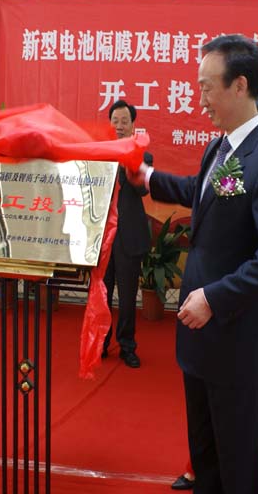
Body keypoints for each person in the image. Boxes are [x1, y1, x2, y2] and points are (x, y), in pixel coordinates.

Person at [132, 35, 258, 493]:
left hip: (235, 339)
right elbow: (199, 193)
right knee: (206, 458)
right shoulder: (221, 148)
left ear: (239, 85)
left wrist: (214, 298)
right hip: (200, 338)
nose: (200, 99)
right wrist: (147, 177)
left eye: (207, 87)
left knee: (238, 466)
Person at [101, 100, 153, 368]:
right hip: (102, 238)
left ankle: (127, 346)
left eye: (124, 121)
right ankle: (101, 342)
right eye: (115, 121)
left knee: (128, 297)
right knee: (101, 295)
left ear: (133, 125)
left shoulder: (143, 156)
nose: (119, 126)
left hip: (128, 236)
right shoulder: (99, 155)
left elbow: (143, 190)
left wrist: (126, 161)